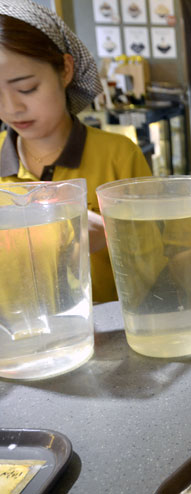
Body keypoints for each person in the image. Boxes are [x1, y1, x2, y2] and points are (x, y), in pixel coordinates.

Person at [0, 0, 152, 303]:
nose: (12, 108)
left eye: (27, 88)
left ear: (66, 69)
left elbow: (154, 266)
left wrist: (111, 237)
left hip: (108, 327)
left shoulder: (119, 157)